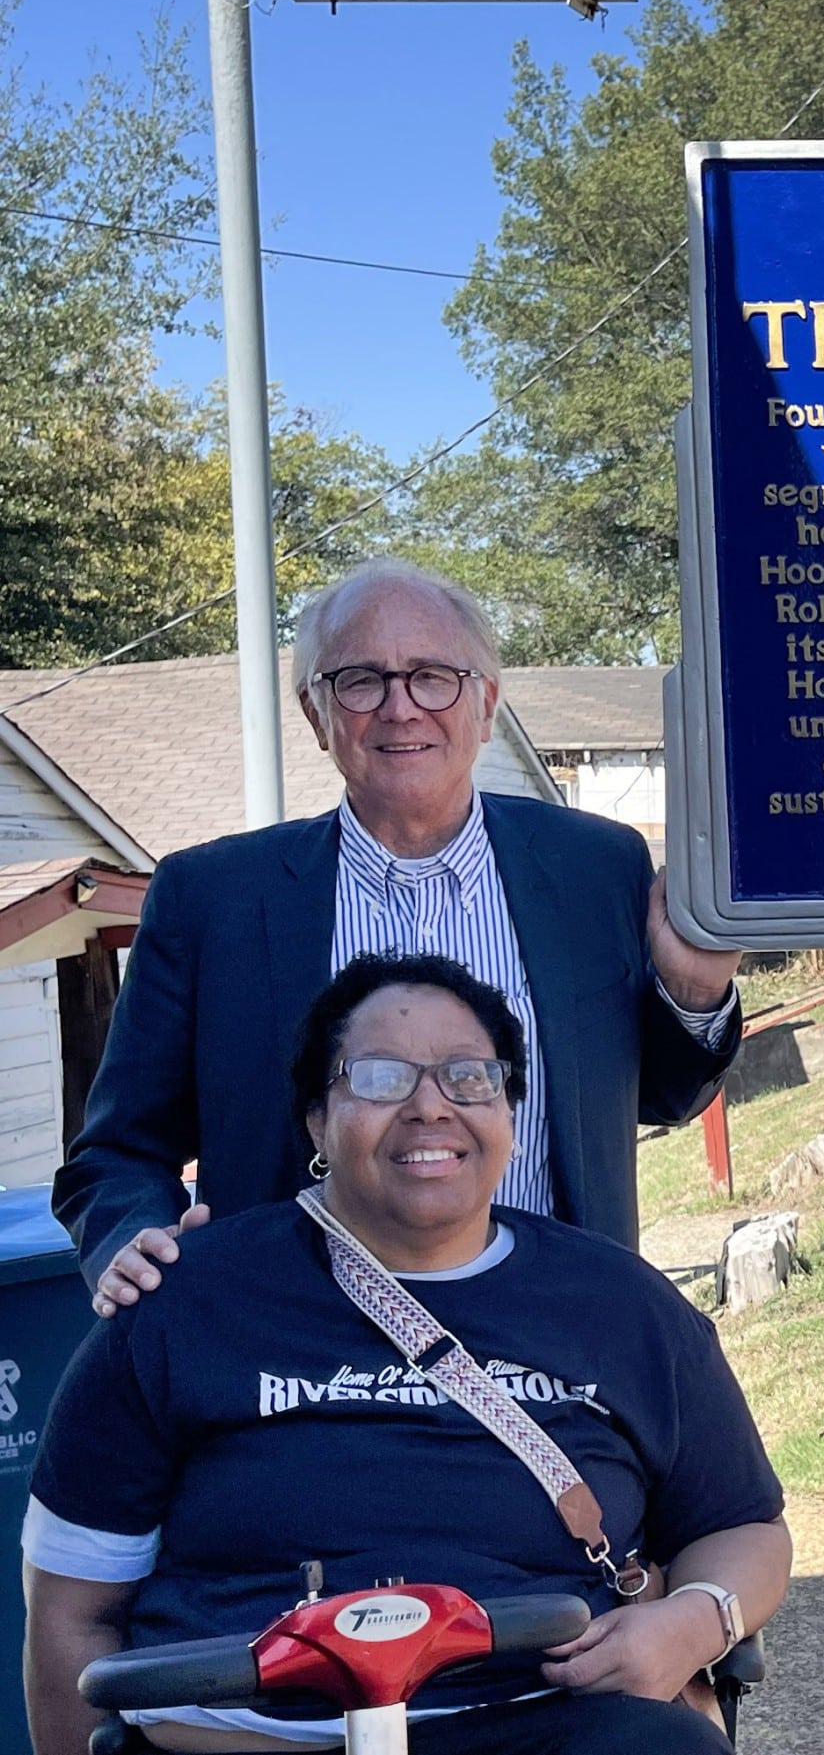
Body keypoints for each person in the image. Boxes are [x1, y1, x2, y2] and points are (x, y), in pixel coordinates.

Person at [23, 953, 790, 1755]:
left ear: (509, 1112)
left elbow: (745, 1525)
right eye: (383, 1077)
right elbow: (72, 1611)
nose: (431, 1107)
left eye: (469, 1076)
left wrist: (696, 1618)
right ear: (318, 1117)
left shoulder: (622, 1305)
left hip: (546, 1717)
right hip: (245, 1733)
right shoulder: (183, 1304)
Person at [58, 559, 743, 1310]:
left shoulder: (595, 868)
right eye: (361, 680)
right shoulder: (211, 899)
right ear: (317, 714)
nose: (401, 706)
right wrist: (132, 1237)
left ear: (486, 702)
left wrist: (692, 990)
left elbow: (662, 1097)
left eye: (432, 675)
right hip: (300, 1361)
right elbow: (117, 1152)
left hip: (556, 1336)